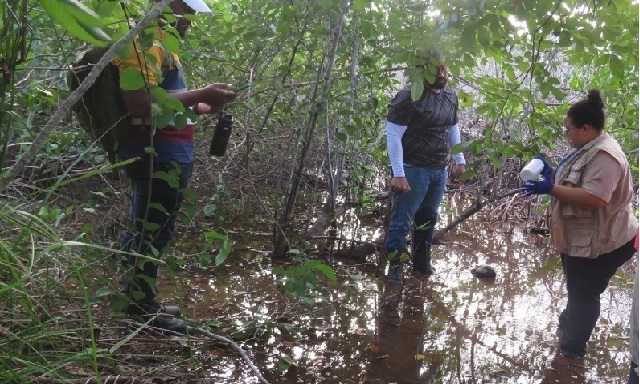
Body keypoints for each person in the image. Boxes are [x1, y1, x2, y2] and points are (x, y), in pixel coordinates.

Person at [116, 0, 237, 333]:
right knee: (153, 230)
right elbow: (138, 101)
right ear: (170, 6)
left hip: (168, 151)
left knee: (145, 225)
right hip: (157, 153)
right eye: (189, 12)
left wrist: (203, 104)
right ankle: (141, 309)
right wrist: (200, 91)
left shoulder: (162, 44)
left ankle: (137, 298)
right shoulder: (146, 41)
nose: (191, 20)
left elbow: (167, 101)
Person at [521, 90, 638, 362]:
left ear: (586, 128)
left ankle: (571, 355)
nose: (566, 134)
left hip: (606, 241)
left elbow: (596, 198)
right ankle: (568, 324)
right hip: (586, 236)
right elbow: (578, 182)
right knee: (579, 288)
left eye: (568, 129)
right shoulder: (588, 148)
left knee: (585, 294)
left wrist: (550, 189)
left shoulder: (606, 156)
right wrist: (551, 174)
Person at [384, 52, 466, 282]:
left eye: (444, 69)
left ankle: (421, 266)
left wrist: (459, 160)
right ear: (422, 71)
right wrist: (398, 174)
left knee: (428, 217)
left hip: (438, 170)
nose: (442, 74)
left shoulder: (450, 95)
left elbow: (453, 129)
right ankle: (395, 269)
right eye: (436, 70)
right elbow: (393, 136)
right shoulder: (407, 98)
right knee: (402, 219)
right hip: (412, 169)